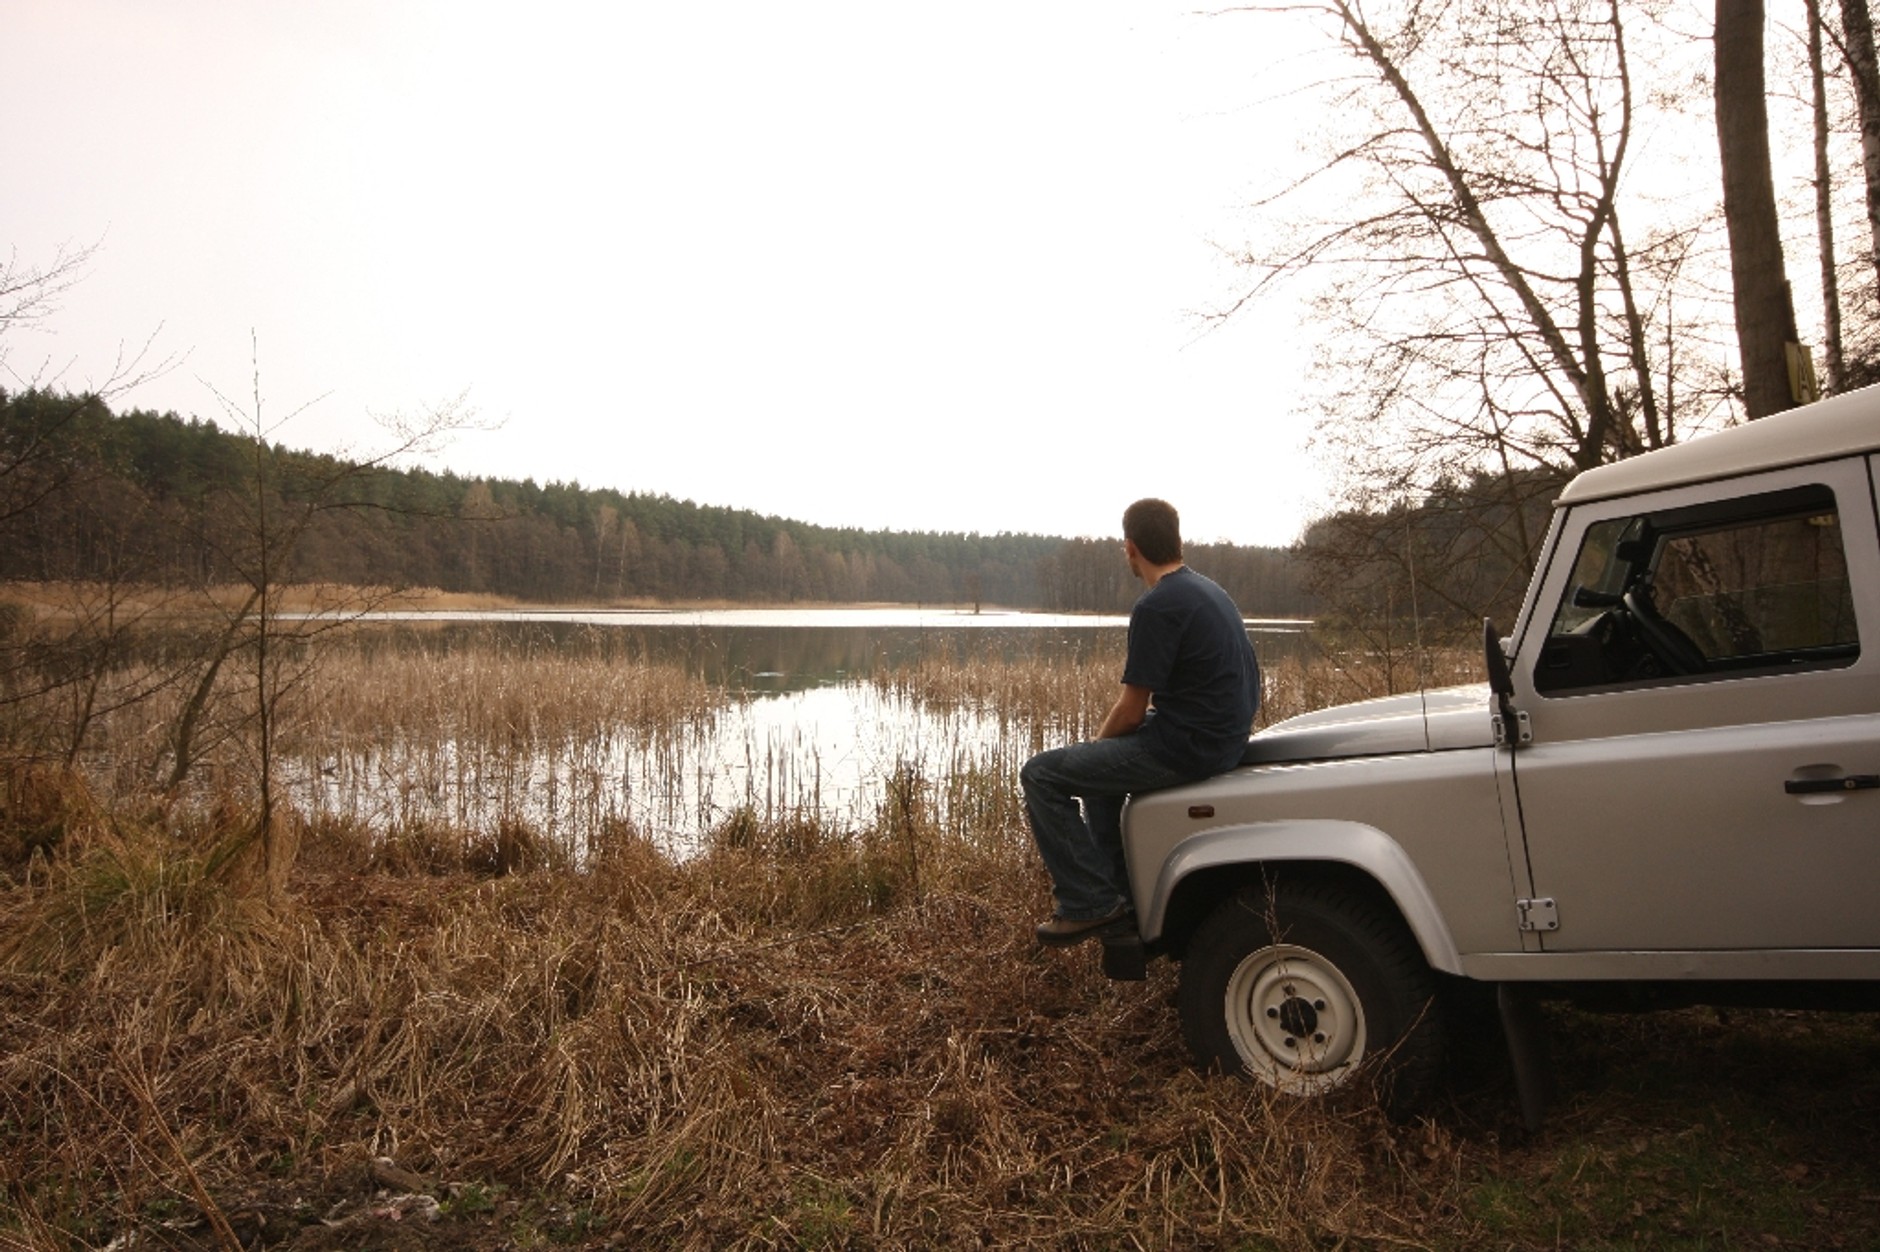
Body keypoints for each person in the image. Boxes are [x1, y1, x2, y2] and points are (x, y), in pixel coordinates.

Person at [1023, 498, 1260, 946]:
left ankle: (1088, 902)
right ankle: (1122, 902)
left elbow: (1131, 712)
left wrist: (1095, 750)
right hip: (1220, 738)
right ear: (1177, 540)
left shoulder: (1158, 606)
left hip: (1189, 747)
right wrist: (1100, 758)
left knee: (1040, 774)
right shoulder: (1209, 590)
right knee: (1097, 781)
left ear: (1130, 548)